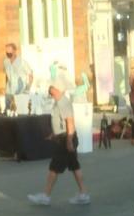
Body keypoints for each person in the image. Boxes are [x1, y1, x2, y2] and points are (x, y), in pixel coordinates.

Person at [28, 76, 89, 206]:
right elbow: (61, 122)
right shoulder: (59, 101)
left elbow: (69, 122)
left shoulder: (63, 102)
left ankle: (45, 196)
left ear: (59, 90)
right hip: (63, 137)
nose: (50, 91)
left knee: (54, 168)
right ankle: (83, 193)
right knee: (74, 165)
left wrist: (69, 141)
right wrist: (53, 135)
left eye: (53, 89)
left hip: (65, 139)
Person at [3, 42, 33, 111]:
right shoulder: (5, 62)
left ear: (14, 51)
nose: (7, 52)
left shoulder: (22, 62)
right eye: (6, 51)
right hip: (9, 92)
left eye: (9, 50)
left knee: (19, 111)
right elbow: (7, 76)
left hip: (20, 92)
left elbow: (30, 75)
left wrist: (28, 88)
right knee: (8, 111)